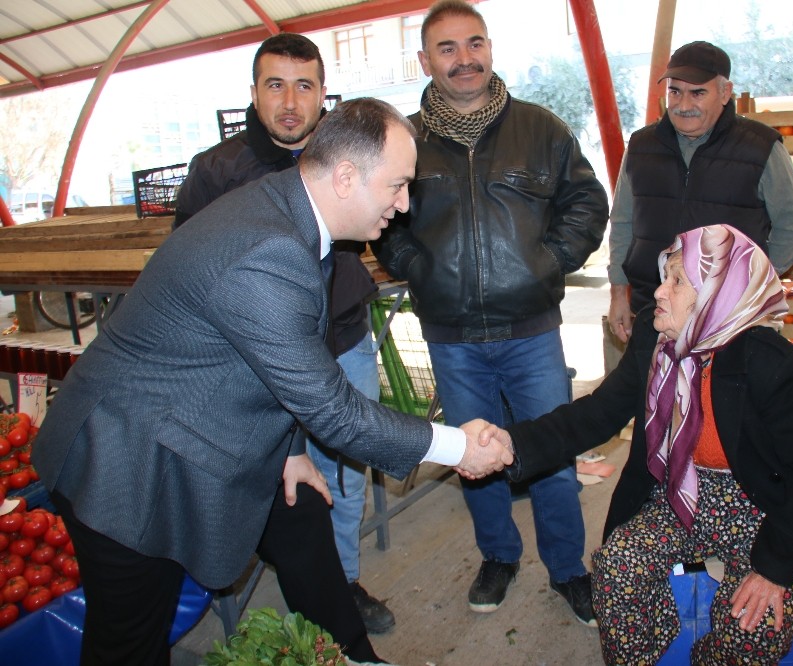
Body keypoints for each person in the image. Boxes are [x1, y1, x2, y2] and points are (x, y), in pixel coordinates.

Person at [32, 98, 513, 666]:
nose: (404, 204)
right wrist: (457, 447)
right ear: (345, 177)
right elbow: (332, 407)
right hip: (129, 461)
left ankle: (353, 656)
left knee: (300, 516)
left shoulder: (291, 211)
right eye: (398, 185)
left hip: (202, 424)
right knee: (131, 640)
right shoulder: (268, 250)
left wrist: (290, 450)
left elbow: (275, 358)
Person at [493, 224, 793, 664]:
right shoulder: (656, 341)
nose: (659, 291)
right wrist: (511, 444)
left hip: (762, 506)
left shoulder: (765, 362)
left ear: (717, 293)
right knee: (617, 568)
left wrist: (774, 569)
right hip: (681, 492)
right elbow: (595, 414)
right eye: (665, 276)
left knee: (751, 625)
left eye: (678, 281)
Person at [373, 0, 608, 626]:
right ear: (425, 60)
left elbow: (587, 202)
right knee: (471, 457)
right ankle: (499, 556)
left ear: (490, 48)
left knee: (551, 454)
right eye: (447, 48)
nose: (464, 58)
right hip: (452, 338)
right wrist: (418, 267)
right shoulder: (405, 141)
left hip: (532, 332)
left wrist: (547, 262)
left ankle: (568, 568)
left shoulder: (541, 129)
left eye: (474, 43)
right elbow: (384, 218)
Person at [174, 33, 395, 634]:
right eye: (276, 85)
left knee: (343, 472)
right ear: (254, 93)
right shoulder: (216, 171)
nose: (291, 102)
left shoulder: (346, 159)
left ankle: (343, 584)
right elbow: (188, 266)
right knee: (264, 474)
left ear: (324, 94)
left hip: (341, 344)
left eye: (304, 86)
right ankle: (285, 569)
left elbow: (393, 224)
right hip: (252, 362)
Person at [607, 40, 793, 344]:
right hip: (653, 310)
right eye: (675, 92)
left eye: (697, 93)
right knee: (649, 377)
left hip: (731, 319)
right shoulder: (641, 147)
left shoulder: (760, 148)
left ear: (725, 92)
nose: (683, 105)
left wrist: (751, 283)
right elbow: (622, 222)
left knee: (726, 378)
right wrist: (618, 293)